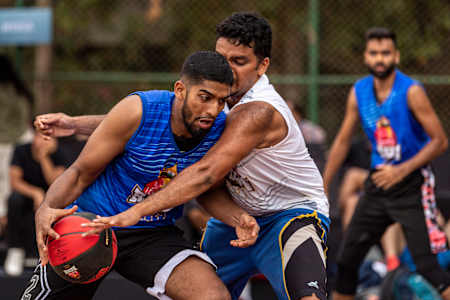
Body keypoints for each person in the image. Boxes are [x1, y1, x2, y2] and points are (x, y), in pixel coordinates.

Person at [36, 12, 330, 300]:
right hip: (99, 220)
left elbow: (206, 177)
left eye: (238, 62)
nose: (225, 70)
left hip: (283, 214)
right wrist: (76, 126)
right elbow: (127, 123)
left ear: (262, 65)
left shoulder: (244, 113)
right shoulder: (212, 102)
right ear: (180, 90)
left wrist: (137, 212)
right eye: (221, 57)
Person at [23, 51, 259, 300]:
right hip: (92, 224)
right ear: (180, 90)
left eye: (221, 101)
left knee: (213, 296)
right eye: (205, 97)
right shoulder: (139, 111)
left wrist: (238, 217)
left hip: (152, 233)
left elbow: (207, 191)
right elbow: (81, 172)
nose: (213, 110)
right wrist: (47, 207)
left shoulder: (218, 130)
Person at [321, 27, 450, 300]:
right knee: (345, 263)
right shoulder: (359, 92)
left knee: (428, 267)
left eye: (385, 53)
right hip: (378, 184)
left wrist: (401, 170)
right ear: (366, 57)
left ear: (396, 56)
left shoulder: (412, 91)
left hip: (412, 184)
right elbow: (342, 142)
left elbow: (439, 141)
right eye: (374, 53)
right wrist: (322, 185)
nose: (380, 58)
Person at [4, 131, 66, 276]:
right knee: (14, 199)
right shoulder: (21, 150)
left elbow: (55, 182)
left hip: (52, 197)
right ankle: (15, 250)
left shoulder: (60, 153)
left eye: (48, 137)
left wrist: (44, 157)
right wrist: (35, 193)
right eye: (40, 135)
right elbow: (15, 182)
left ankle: (53, 253)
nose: (43, 140)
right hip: (27, 197)